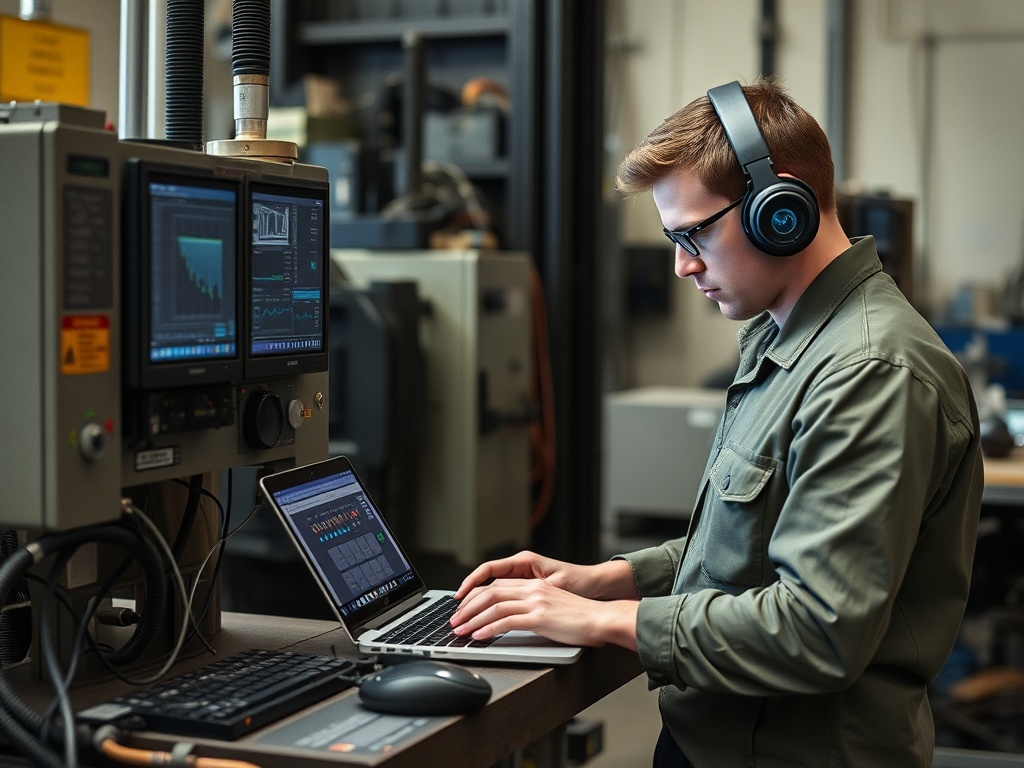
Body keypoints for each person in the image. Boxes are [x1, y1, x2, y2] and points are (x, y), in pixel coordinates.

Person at [450, 76, 984, 767]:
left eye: (693, 232)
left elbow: (819, 629)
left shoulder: (869, 371)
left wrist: (607, 621)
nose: (681, 264)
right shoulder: (784, 340)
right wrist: (608, 580)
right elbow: (752, 549)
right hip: (718, 740)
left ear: (780, 207)